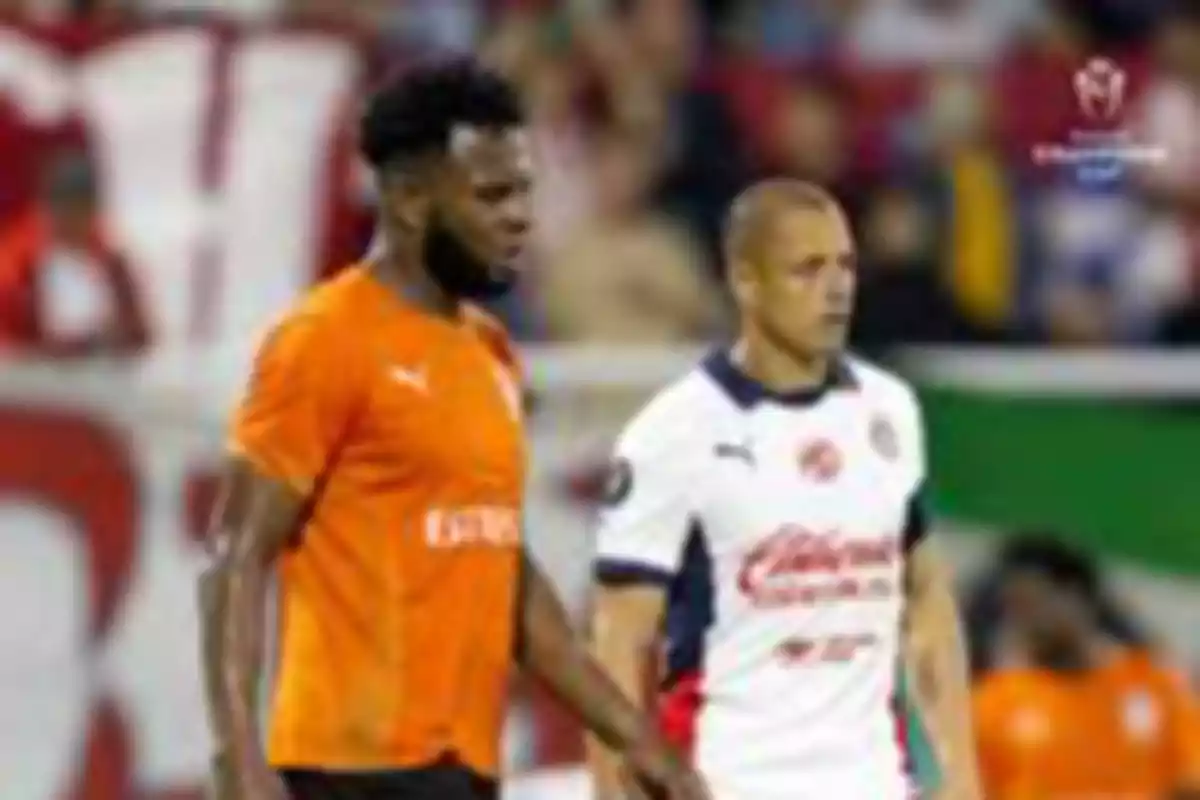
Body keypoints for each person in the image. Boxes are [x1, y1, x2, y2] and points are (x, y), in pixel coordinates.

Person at [198, 60, 709, 800]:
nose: (520, 215)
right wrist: (237, 762)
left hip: (461, 769)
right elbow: (235, 556)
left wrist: (637, 740)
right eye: (492, 193)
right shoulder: (324, 337)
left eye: (525, 188)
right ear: (409, 200)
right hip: (348, 769)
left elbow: (502, 570)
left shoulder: (490, 352)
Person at [587, 179, 981, 800]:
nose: (838, 288)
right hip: (732, 781)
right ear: (746, 281)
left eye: (846, 264)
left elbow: (927, 603)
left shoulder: (891, 410)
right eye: (808, 269)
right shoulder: (672, 434)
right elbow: (618, 643)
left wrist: (961, 781)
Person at [974, 536, 1200, 799]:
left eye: (1034, 604)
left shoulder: (1155, 684)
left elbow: (1190, 779)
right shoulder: (993, 704)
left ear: (1076, 596)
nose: (1027, 622)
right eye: (1015, 610)